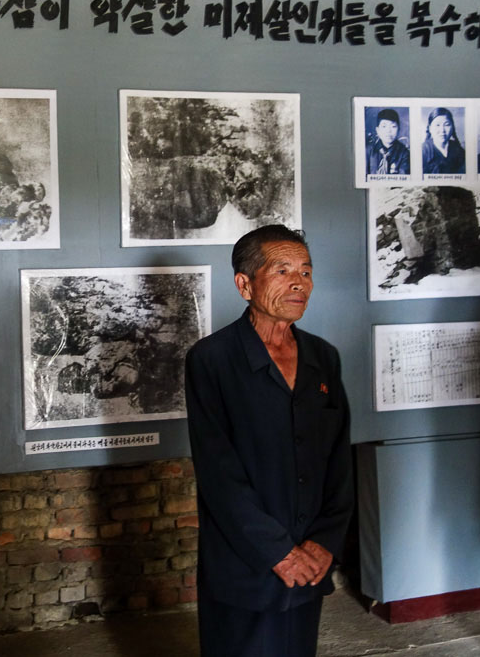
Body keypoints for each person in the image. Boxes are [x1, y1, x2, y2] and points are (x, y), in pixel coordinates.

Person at [185, 225, 353, 657]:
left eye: (306, 271)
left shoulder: (323, 358)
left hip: (312, 557)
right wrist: (279, 552)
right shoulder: (212, 360)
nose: (299, 283)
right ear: (245, 284)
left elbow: (338, 463)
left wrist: (324, 544)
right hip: (246, 560)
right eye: (282, 270)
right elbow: (218, 472)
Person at [365, 108, 409, 175]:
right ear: (377, 130)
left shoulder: (404, 153)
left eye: (393, 126)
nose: (388, 131)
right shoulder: (368, 151)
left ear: (399, 129)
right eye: (384, 126)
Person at [421, 107, 465, 174]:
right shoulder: (423, 151)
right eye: (437, 125)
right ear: (430, 128)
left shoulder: (459, 150)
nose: (442, 130)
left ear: (452, 127)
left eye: (447, 125)